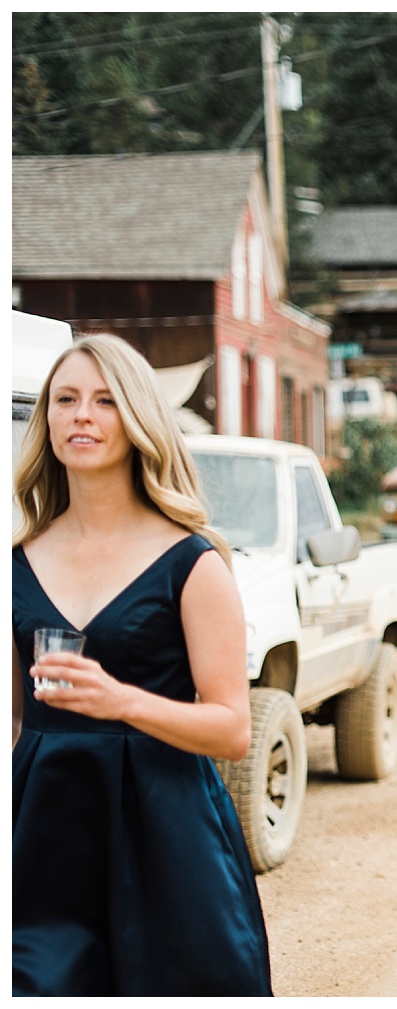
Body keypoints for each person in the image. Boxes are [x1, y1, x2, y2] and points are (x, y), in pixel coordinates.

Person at [12, 334, 273, 996]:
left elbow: (233, 729)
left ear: (136, 419)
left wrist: (121, 701)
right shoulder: (15, 563)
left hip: (168, 832)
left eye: (104, 400)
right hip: (45, 833)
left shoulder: (192, 561)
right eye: (65, 399)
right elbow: (12, 715)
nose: (81, 415)